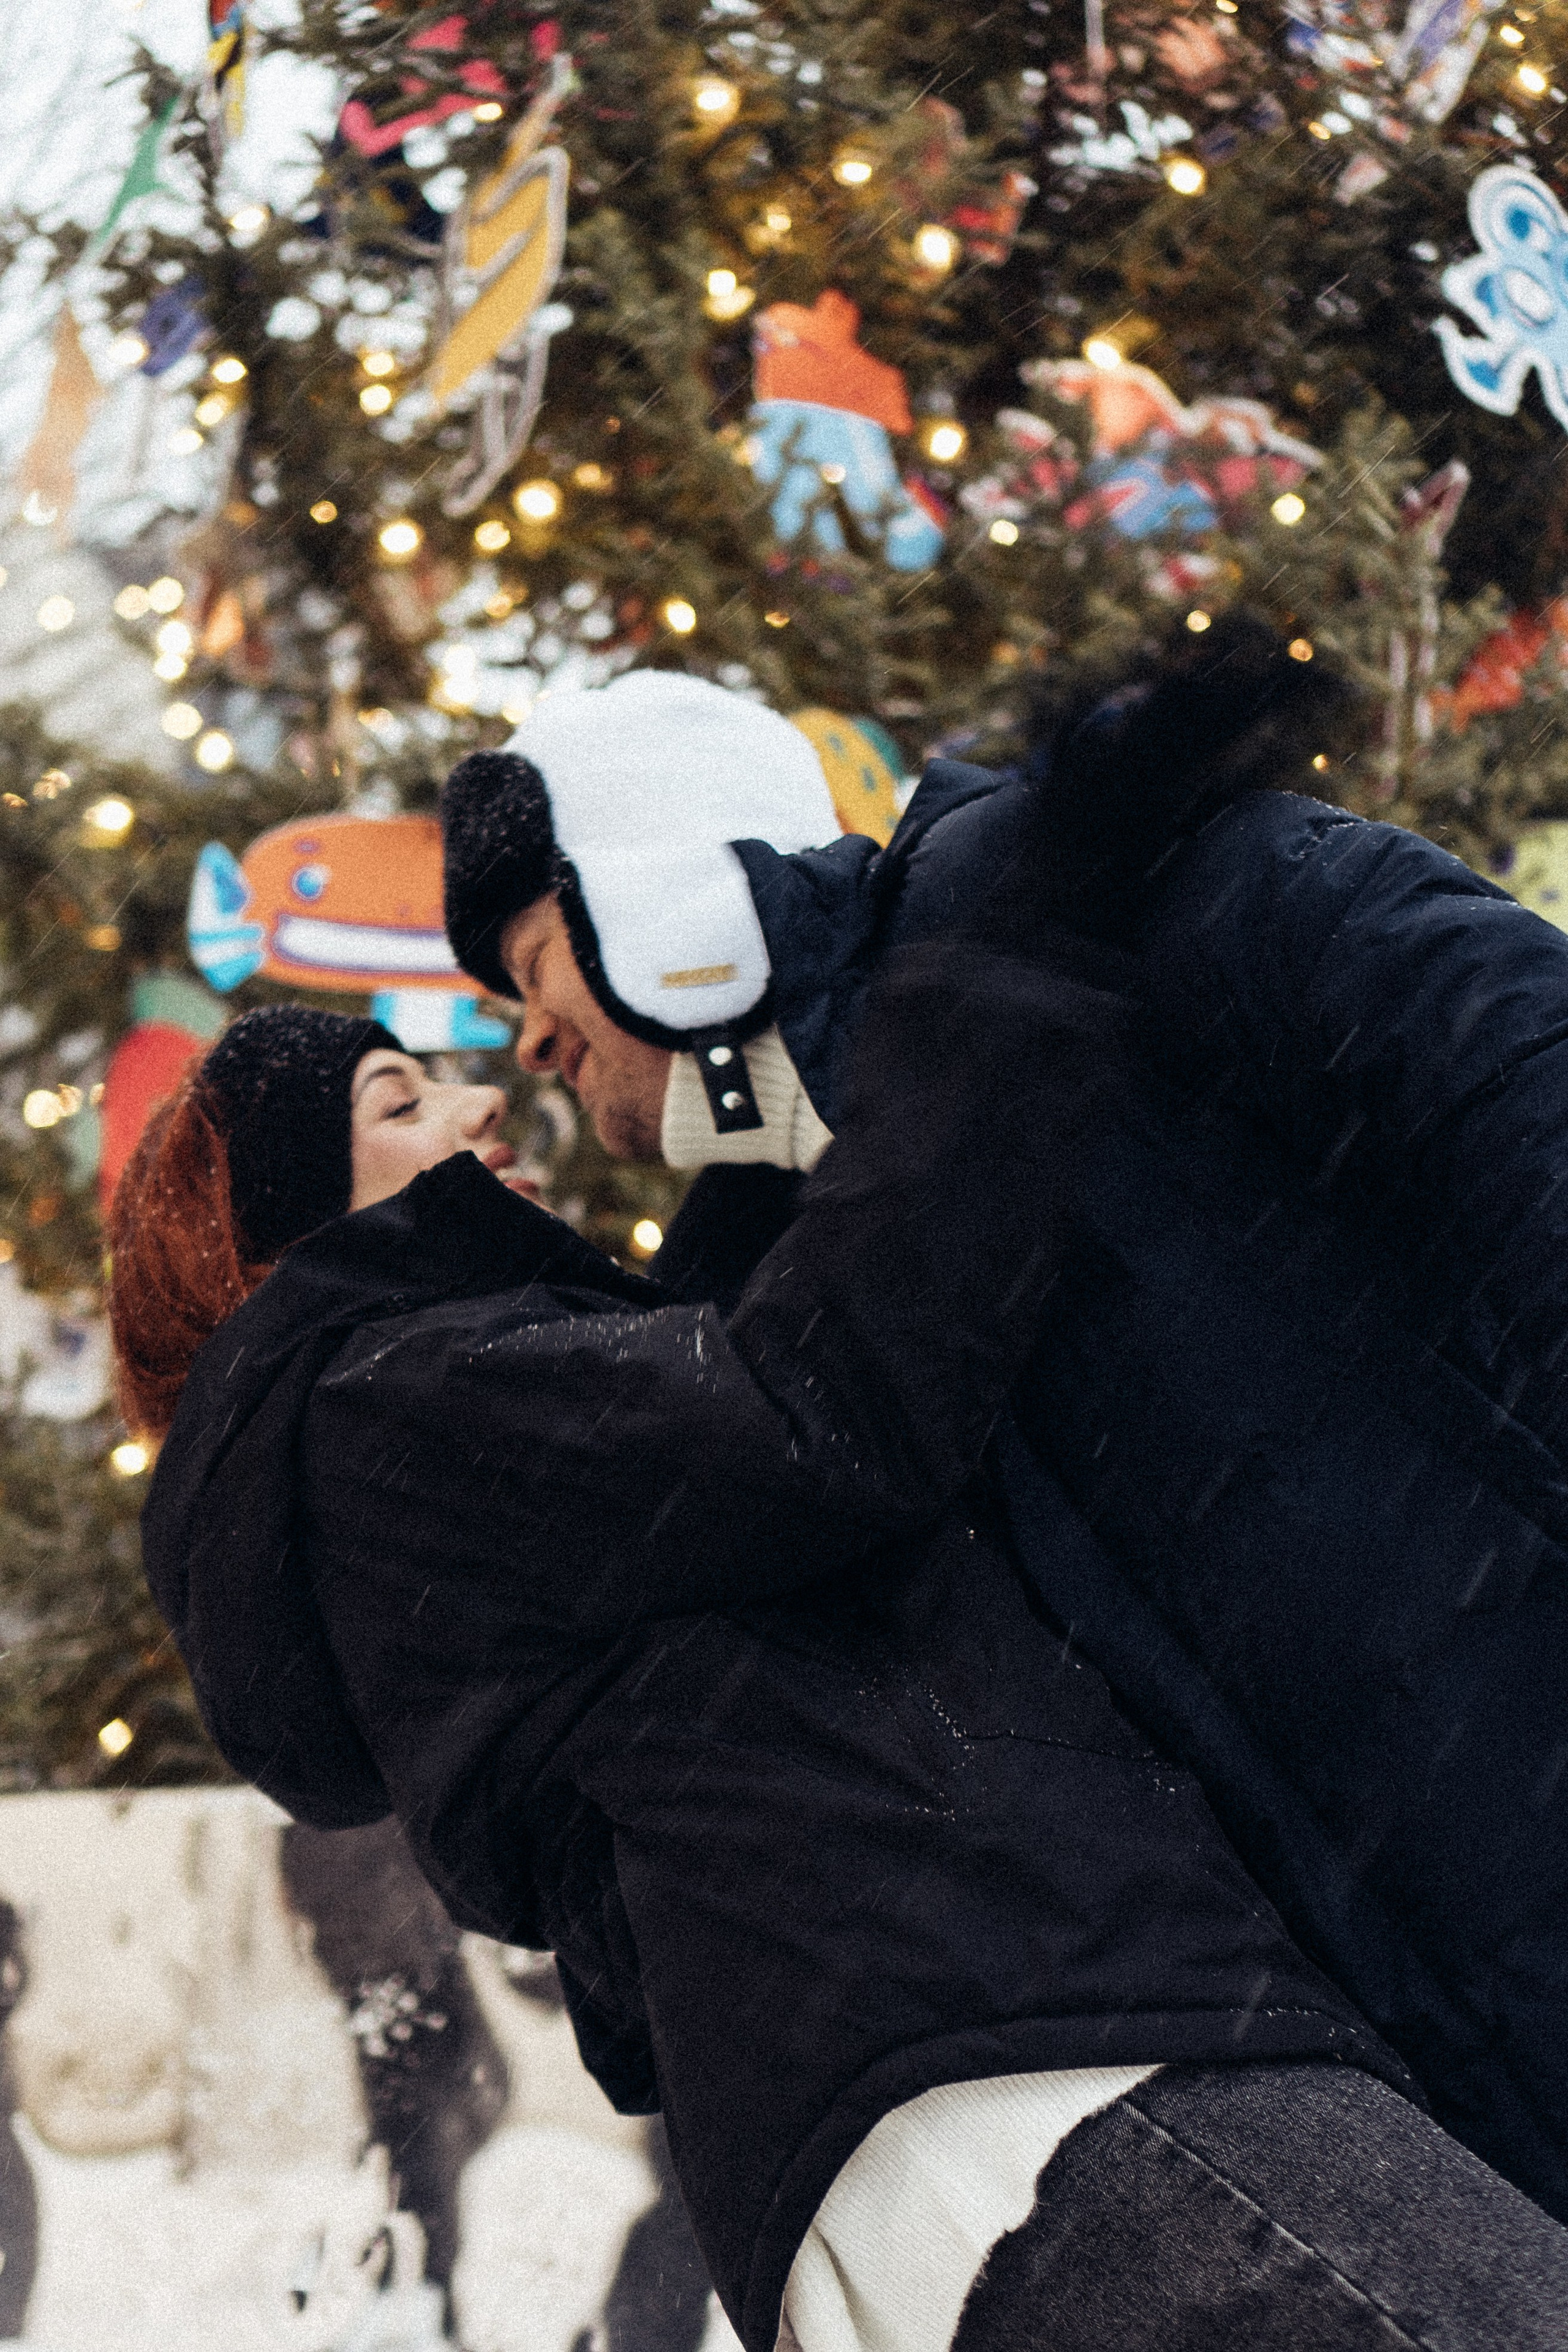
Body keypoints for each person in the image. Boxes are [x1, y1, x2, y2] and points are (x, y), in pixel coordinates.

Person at [115, 996, 1568, 2352]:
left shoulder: (452, 1424)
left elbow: (747, 1384)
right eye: (400, 1098)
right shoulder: (398, 1404)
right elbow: (817, 1403)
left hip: (962, 2106)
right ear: (296, 1223)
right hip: (1025, 2059)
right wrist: (986, 985)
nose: (483, 1099)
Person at [437, 623, 1568, 2227]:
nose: (526, 1041)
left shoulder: (1092, 887)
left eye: (532, 965)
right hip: (1378, 1968)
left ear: (658, 894)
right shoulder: (790, 1284)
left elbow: (1512, 1060)